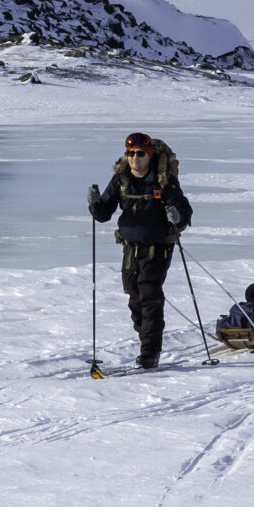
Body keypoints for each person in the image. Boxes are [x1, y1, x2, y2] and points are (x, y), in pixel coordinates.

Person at [89, 131, 191, 368]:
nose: (135, 158)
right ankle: (147, 338)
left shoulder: (164, 180)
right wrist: (94, 204)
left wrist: (178, 216)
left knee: (149, 297)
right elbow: (103, 214)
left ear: (149, 155)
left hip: (158, 249)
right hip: (130, 249)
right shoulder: (120, 179)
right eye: (131, 153)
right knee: (134, 298)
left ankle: (149, 353)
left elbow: (184, 210)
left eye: (140, 154)